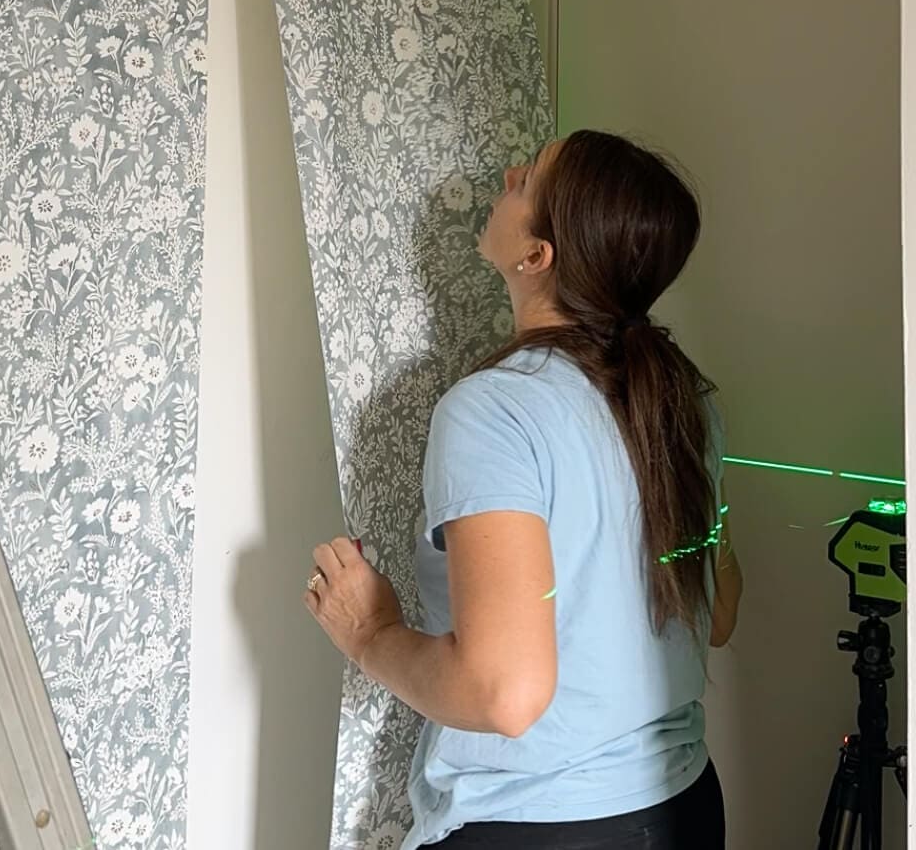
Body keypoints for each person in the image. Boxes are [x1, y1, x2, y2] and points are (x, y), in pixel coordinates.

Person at [305, 129, 743, 847]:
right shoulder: (685, 403)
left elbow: (505, 693)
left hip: (542, 826)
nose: (508, 173)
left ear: (537, 256)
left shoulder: (492, 410)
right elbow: (717, 613)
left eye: (528, 178)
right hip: (683, 808)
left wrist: (369, 632)